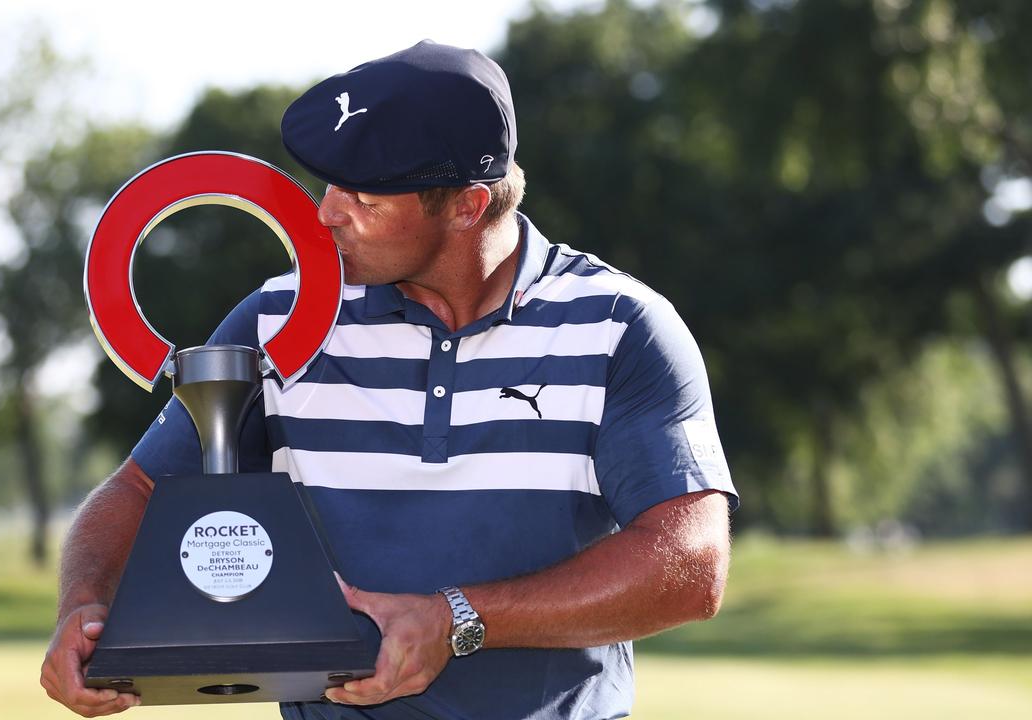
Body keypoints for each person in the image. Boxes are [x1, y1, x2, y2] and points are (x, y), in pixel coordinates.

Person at [42, 40, 738, 719]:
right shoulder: (274, 319)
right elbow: (136, 490)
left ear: (467, 206)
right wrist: (84, 606)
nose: (325, 214)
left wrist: (457, 618)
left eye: (364, 199)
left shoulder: (618, 324)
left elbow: (691, 563)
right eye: (329, 183)